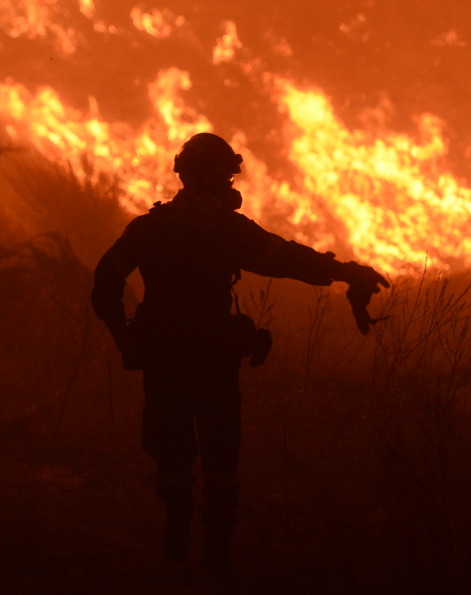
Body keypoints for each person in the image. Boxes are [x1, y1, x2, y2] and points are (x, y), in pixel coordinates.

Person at [90, 132, 389, 576]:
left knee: (210, 457)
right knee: (194, 455)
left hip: (187, 358)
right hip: (199, 359)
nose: (223, 187)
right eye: (217, 177)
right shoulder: (201, 232)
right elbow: (106, 282)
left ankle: (203, 547)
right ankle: (197, 541)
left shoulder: (168, 231)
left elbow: (287, 259)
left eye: (225, 177)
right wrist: (123, 336)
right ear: (193, 177)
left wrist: (345, 272)